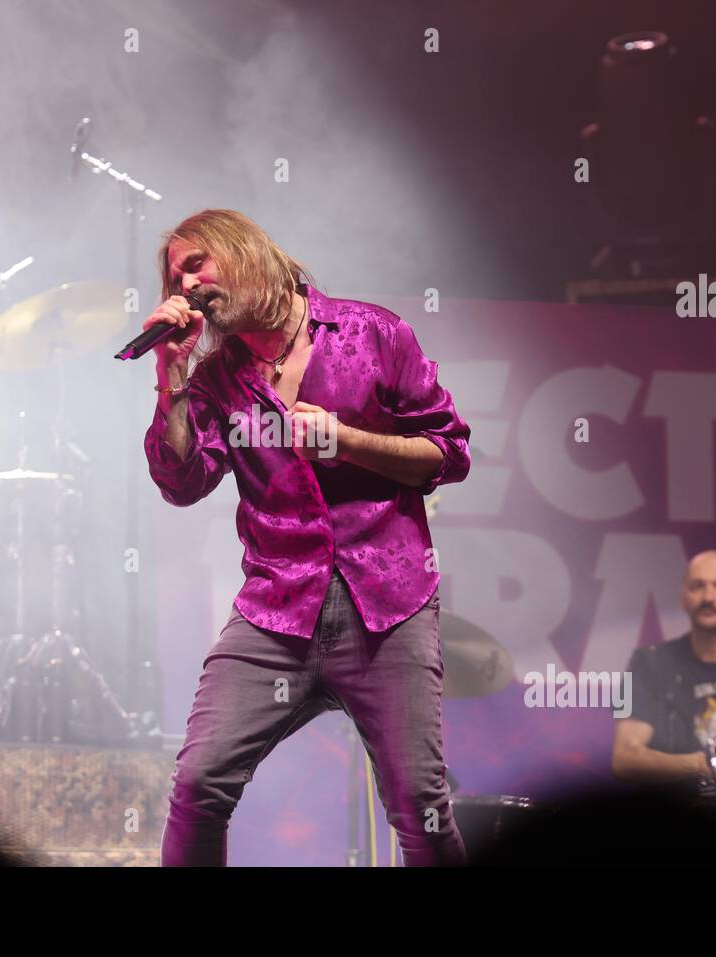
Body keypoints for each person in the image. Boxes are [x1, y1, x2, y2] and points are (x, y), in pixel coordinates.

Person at [143, 208, 471, 865]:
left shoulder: (372, 334)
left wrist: (346, 441)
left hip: (387, 607)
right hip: (277, 611)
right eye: (176, 278)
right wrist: (170, 373)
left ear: (244, 252)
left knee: (421, 806)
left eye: (196, 264)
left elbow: (449, 453)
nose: (187, 285)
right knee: (198, 781)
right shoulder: (214, 379)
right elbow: (182, 482)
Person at [611, 550, 716, 788]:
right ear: (683, 597)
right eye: (697, 586)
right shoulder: (649, 664)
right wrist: (698, 765)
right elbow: (625, 758)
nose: (708, 597)